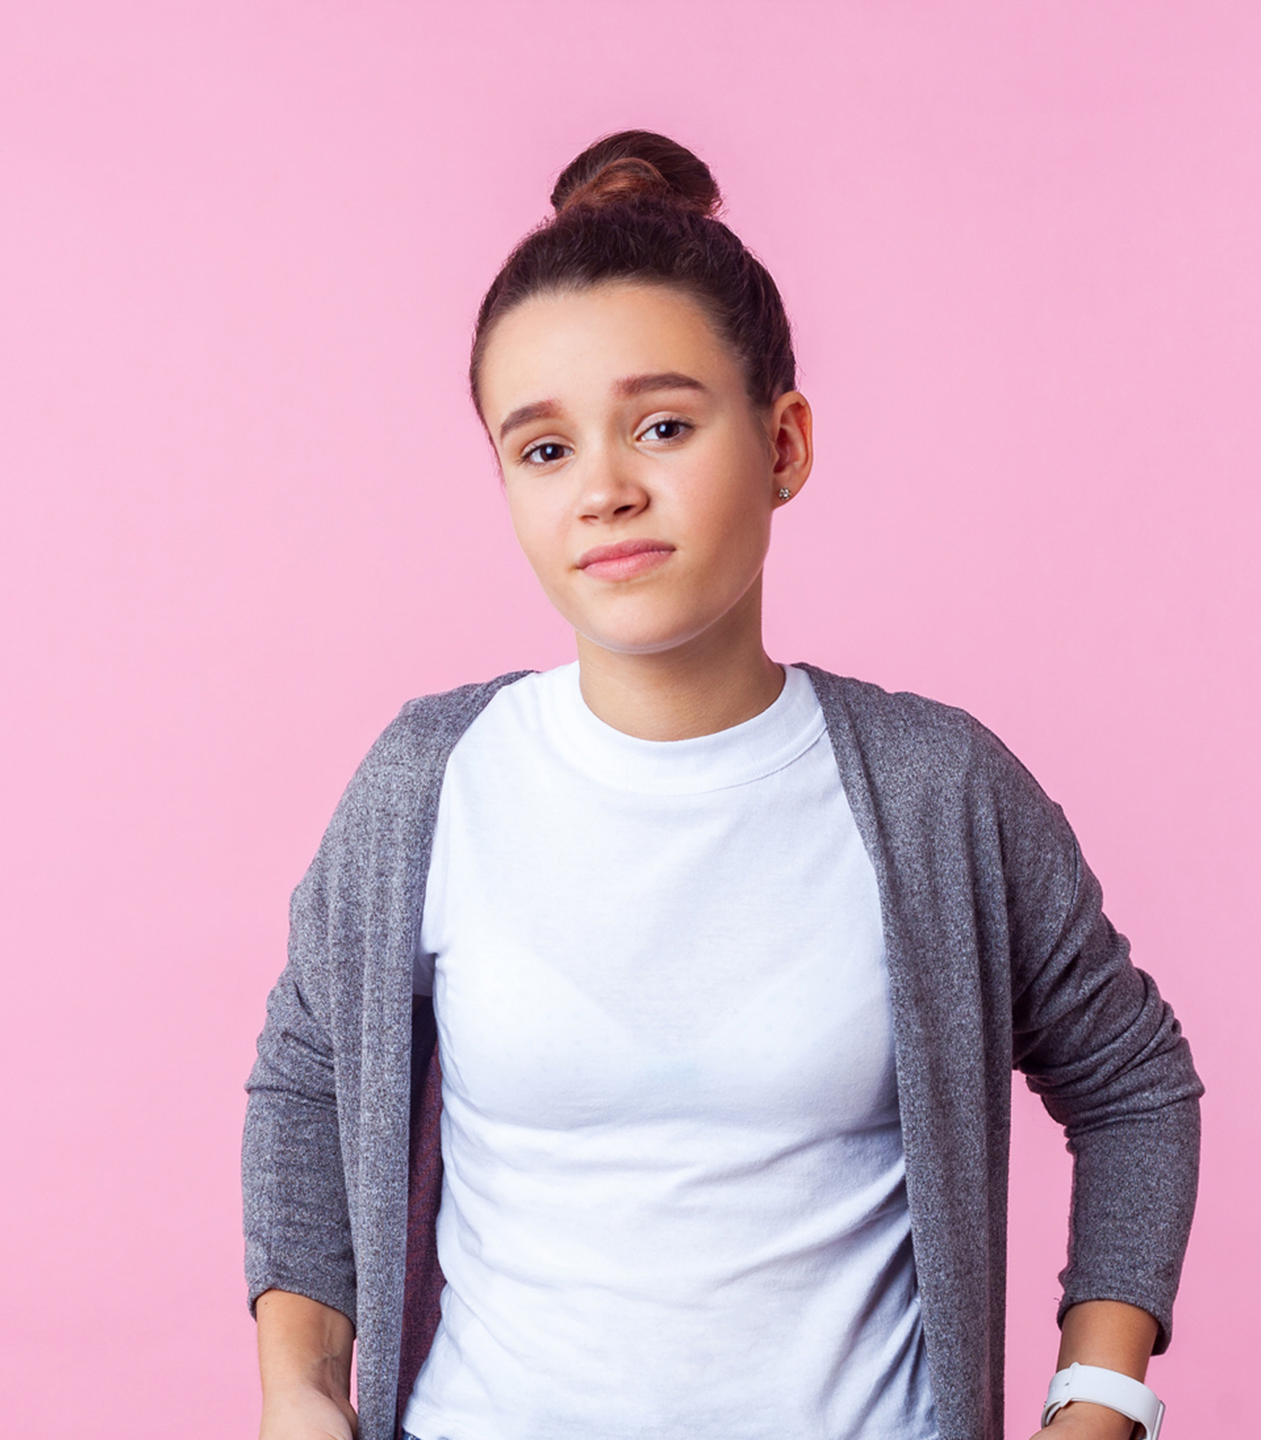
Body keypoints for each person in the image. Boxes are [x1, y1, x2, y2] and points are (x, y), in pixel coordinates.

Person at [242, 130, 1203, 1440]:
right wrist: (298, 1389)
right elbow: (307, 1072)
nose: (606, 491)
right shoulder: (430, 782)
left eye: (664, 424)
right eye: (543, 450)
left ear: (785, 444)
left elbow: (1131, 1079)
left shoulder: (937, 791)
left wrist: (1100, 1401)